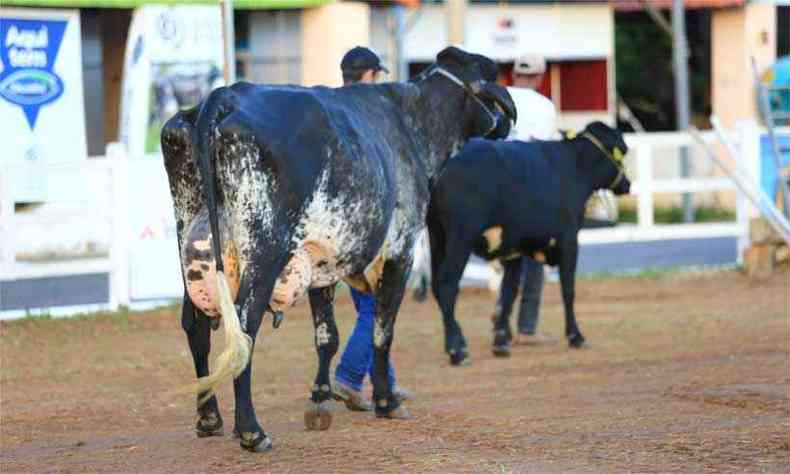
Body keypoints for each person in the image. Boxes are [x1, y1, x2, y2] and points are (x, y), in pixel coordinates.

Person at [333, 46, 412, 411]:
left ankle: (386, 379)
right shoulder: (372, 111)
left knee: (370, 305)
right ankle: (349, 378)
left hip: (341, 225)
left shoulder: (336, 108)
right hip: (370, 224)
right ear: (368, 76)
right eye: (376, 75)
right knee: (376, 308)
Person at [493, 53, 559, 346]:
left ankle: (502, 317)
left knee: (511, 257)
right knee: (535, 258)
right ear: (541, 77)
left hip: (499, 187)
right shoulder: (545, 106)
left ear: (513, 74)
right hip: (531, 188)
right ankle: (527, 328)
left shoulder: (499, 99)